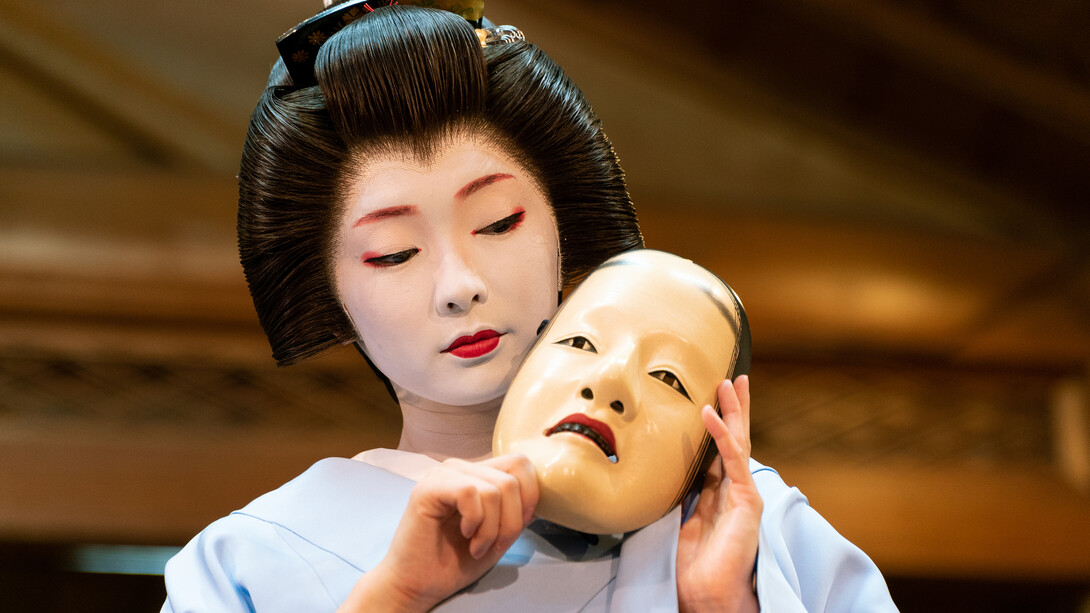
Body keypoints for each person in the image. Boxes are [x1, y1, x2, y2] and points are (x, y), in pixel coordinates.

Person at [162, 3, 896, 612]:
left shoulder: (743, 522)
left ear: (563, 230)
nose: (459, 284)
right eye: (392, 253)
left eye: (498, 223)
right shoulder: (248, 560)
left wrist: (722, 604)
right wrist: (389, 596)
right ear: (329, 294)